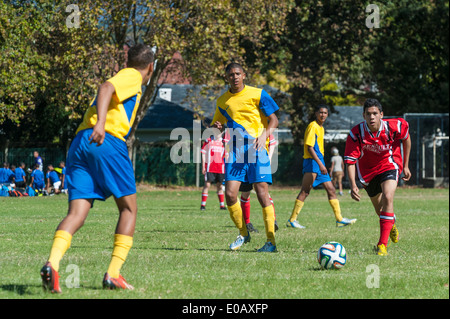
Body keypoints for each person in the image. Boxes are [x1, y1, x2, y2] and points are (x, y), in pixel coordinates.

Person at [40, 43, 155, 293]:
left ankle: (53, 264)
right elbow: (106, 87)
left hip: (81, 142)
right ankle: (113, 274)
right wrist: (101, 123)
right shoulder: (133, 75)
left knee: (77, 213)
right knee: (129, 209)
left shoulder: (127, 73)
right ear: (150, 67)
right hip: (105, 140)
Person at [211, 62, 279, 253]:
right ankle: (243, 233)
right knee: (231, 194)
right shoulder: (222, 101)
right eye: (231, 74)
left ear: (244, 75)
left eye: (238, 73)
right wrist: (217, 128)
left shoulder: (258, 94)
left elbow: (274, 119)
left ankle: (270, 242)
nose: (234, 77)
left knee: (262, 194)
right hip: (236, 153)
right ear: (226, 77)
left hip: (257, 150)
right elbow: (217, 128)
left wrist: (264, 136)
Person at [344, 98, 411, 256]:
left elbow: (406, 139)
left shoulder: (395, 126)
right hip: (367, 173)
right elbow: (350, 161)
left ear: (381, 114)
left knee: (388, 197)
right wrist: (353, 184)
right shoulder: (356, 134)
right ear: (364, 116)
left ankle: (382, 245)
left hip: (390, 164)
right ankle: (391, 224)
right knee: (379, 209)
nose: (372, 117)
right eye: (368, 114)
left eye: (375, 113)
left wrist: (406, 165)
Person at [287, 105, 357, 229]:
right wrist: (320, 164)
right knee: (305, 191)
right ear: (316, 113)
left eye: (325, 113)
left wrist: (321, 163)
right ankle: (292, 220)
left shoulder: (321, 127)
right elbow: (310, 147)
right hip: (312, 162)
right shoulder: (312, 126)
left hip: (319, 162)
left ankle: (339, 219)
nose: (323, 115)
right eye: (321, 112)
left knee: (331, 189)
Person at [240, 134, 278, 233]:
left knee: (264, 192)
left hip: (260, 161)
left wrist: (268, 160)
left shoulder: (264, 127)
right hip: (244, 162)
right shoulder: (243, 126)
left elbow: (272, 143)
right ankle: (247, 223)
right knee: (245, 192)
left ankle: (272, 220)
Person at [200, 131, 227, 211]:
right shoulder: (209, 141)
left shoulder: (224, 142)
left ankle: (222, 205)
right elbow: (203, 153)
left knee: (220, 186)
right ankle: (203, 205)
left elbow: (227, 155)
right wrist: (203, 166)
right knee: (207, 185)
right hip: (210, 167)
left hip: (220, 168)